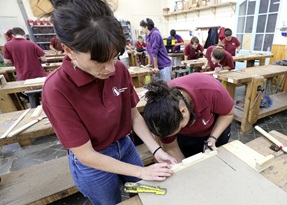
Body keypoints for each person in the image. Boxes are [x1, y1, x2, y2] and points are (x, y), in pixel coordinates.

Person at [42, 1, 176, 204]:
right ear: (69, 51)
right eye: (99, 61)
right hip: (93, 161)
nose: (111, 69)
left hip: (125, 145)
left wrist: (156, 150)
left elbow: (133, 115)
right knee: (109, 202)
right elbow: (86, 154)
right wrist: (141, 170)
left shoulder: (119, 70)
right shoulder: (56, 89)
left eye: (114, 57)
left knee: (146, 193)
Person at [143, 73, 234, 162]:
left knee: (217, 161)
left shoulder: (211, 90)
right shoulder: (162, 116)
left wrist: (213, 137)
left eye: (180, 128)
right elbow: (172, 147)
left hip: (215, 128)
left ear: (183, 111)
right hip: (187, 137)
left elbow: (228, 114)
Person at [140, 18, 172, 82]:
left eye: (142, 27)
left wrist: (155, 67)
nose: (141, 29)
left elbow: (154, 52)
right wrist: (149, 64)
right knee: (158, 89)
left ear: (146, 27)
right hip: (157, 66)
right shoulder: (147, 35)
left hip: (164, 66)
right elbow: (149, 51)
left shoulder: (155, 34)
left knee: (166, 88)